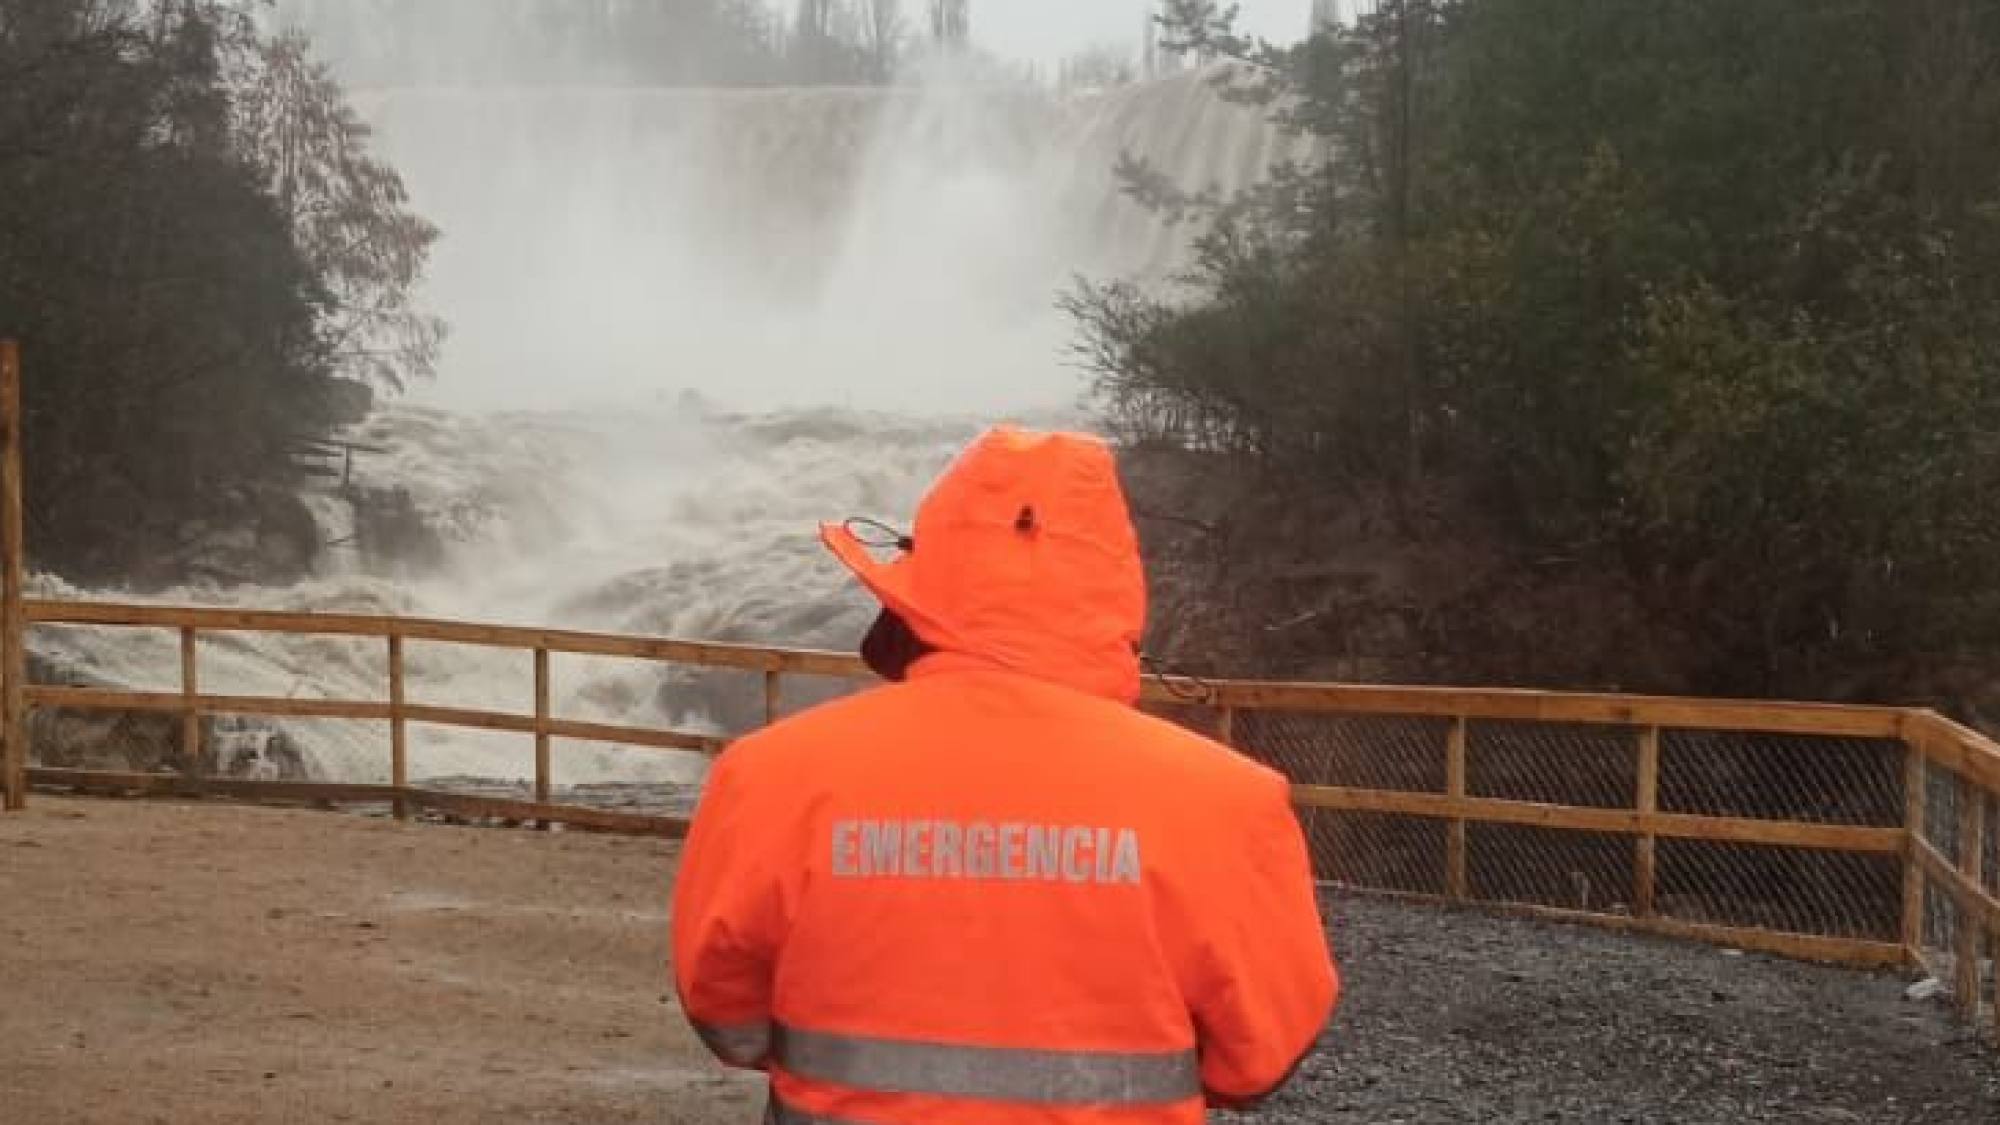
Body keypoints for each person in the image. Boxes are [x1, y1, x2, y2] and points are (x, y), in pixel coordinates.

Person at [670, 424, 1339, 1124]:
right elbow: (1258, 1054)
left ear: (922, 587)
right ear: (1113, 588)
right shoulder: (1229, 802)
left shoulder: (767, 775)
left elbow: (729, 1017)